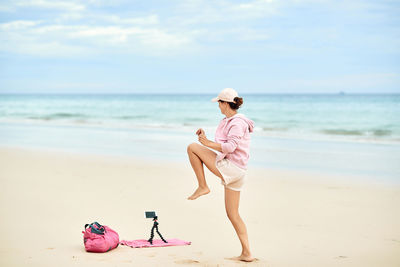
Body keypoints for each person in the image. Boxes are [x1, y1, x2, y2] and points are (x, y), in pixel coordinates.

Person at [187, 88, 255, 262]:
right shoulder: (228, 121)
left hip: (232, 168)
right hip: (237, 171)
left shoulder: (237, 122)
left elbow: (230, 147)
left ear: (225, 103)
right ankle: (247, 253)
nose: (218, 105)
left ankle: (203, 186)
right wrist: (206, 139)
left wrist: (206, 143)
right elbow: (223, 145)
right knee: (233, 214)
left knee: (192, 148)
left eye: (219, 102)